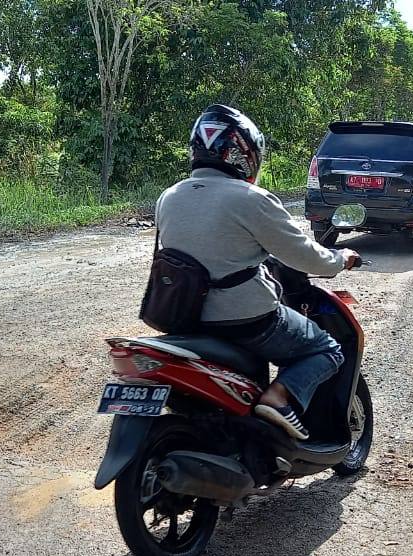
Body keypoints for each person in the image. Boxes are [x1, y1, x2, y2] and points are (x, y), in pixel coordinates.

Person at [153, 104, 359, 440]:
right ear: (243, 153)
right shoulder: (252, 199)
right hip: (247, 322)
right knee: (326, 348)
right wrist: (340, 258)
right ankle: (278, 399)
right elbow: (306, 257)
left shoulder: (168, 197)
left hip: (184, 317)